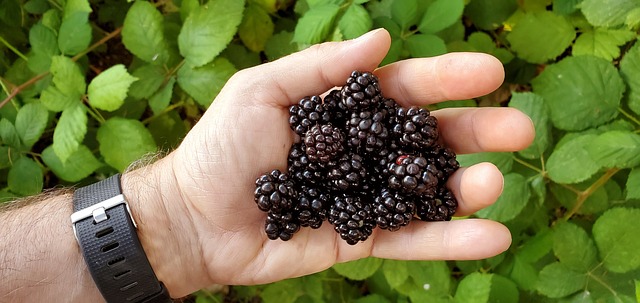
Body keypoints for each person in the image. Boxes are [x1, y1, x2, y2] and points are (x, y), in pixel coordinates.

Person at [0, 29, 534, 302]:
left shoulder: (352, 154)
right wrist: (177, 214)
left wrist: (171, 219)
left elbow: (358, 175)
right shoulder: (325, 164)